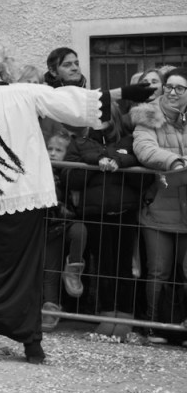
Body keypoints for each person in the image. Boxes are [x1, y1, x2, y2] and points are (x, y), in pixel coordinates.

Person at [0, 32, 153, 364]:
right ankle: (31, 343)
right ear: (4, 63)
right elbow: (73, 102)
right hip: (28, 195)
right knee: (26, 269)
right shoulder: (26, 92)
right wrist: (123, 92)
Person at [63, 115, 146, 339]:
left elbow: (142, 175)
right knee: (102, 266)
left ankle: (125, 317)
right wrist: (96, 163)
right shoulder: (79, 143)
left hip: (125, 212)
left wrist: (119, 161)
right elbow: (70, 177)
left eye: (105, 113)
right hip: (95, 213)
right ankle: (107, 315)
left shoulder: (130, 141)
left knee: (125, 267)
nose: (100, 118)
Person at [130, 67, 187, 343]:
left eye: (180, 88)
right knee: (158, 271)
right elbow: (144, 148)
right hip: (160, 206)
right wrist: (174, 161)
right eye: (169, 86)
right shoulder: (149, 117)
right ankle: (153, 327)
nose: (173, 92)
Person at [40, 131, 87, 332]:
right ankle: (50, 307)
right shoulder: (42, 170)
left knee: (80, 232)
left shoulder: (73, 173)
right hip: (50, 226)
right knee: (50, 269)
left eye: (58, 150)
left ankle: (73, 270)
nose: (52, 153)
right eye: (49, 149)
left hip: (68, 223)